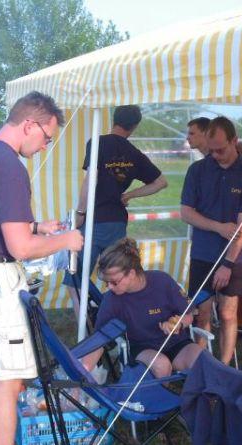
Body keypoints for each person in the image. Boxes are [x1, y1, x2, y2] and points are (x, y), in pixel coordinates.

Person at [0, 91, 84, 445]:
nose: (44, 147)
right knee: (6, 382)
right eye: (46, 138)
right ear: (29, 125)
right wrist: (66, 239)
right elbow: (20, 248)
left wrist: (38, 227)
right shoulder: (9, 165)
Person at [64, 105, 167, 312]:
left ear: (114, 119)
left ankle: (87, 326)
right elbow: (160, 182)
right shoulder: (133, 153)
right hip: (117, 223)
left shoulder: (97, 143)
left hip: (94, 219)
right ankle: (113, 319)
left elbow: (89, 180)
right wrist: (128, 194)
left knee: (74, 279)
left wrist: (80, 212)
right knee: (117, 277)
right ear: (135, 126)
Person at [181, 116, 242, 365]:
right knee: (201, 311)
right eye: (212, 150)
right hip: (203, 252)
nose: (215, 155)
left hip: (235, 256)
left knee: (228, 313)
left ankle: (224, 368)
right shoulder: (197, 170)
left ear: (234, 141)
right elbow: (186, 213)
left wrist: (227, 263)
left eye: (221, 149)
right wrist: (218, 227)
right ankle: (202, 364)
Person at [81, 238, 202, 378]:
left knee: (202, 361)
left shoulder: (162, 281)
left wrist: (178, 323)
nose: (109, 287)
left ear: (131, 274)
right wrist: (81, 374)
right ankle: (158, 399)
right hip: (142, 348)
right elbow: (99, 340)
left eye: (114, 282)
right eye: (106, 282)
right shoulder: (111, 299)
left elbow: (189, 315)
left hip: (177, 344)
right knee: (161, 365)